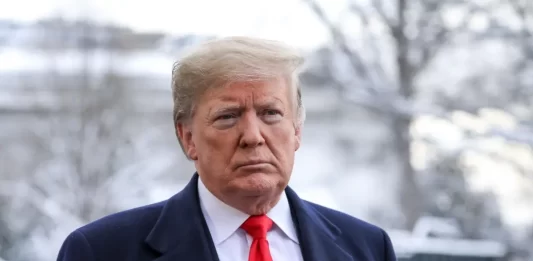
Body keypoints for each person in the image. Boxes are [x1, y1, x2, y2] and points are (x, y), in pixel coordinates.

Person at [56, 36, 397, 261]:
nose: (253, 136)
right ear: (188, 138)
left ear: (296, 130)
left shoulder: (367, 248)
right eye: (228, 116)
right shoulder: (101, 251)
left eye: (270, 113)